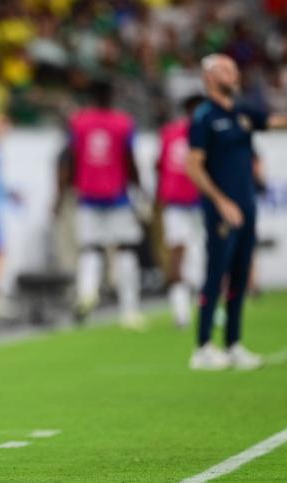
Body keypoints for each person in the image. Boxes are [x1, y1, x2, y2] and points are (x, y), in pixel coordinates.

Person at [186, 54, 287, 370]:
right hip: (223, 210)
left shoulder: (242, 111)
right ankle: (202, 346)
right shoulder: (204, 117)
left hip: (247, 206)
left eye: (234, 67)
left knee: (241, 277)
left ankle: (233, 344)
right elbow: (193, 165)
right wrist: (221, 201)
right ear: (209, 76)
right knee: (216, 275)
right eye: (226, 69)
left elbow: (273, 122)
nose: (234, 73)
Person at [65, 79, 145, 328]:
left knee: (91, 248)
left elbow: (71, 157)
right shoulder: (124, 123)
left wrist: (68, 188)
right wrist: (139, 188)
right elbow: (129, 159)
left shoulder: (78, 122)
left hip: (87, 195)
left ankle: (87, 292)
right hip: (117, 195)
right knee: (126, 248)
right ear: (112, 96)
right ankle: (129, 309)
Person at [156, 95, 206, 327]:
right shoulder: (200, 134)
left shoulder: (170, 132)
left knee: (197, 255)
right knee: (180, 254)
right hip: (180, 202)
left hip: (198, 201)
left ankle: (202, 307)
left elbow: (158, 165)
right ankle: (181, 310)